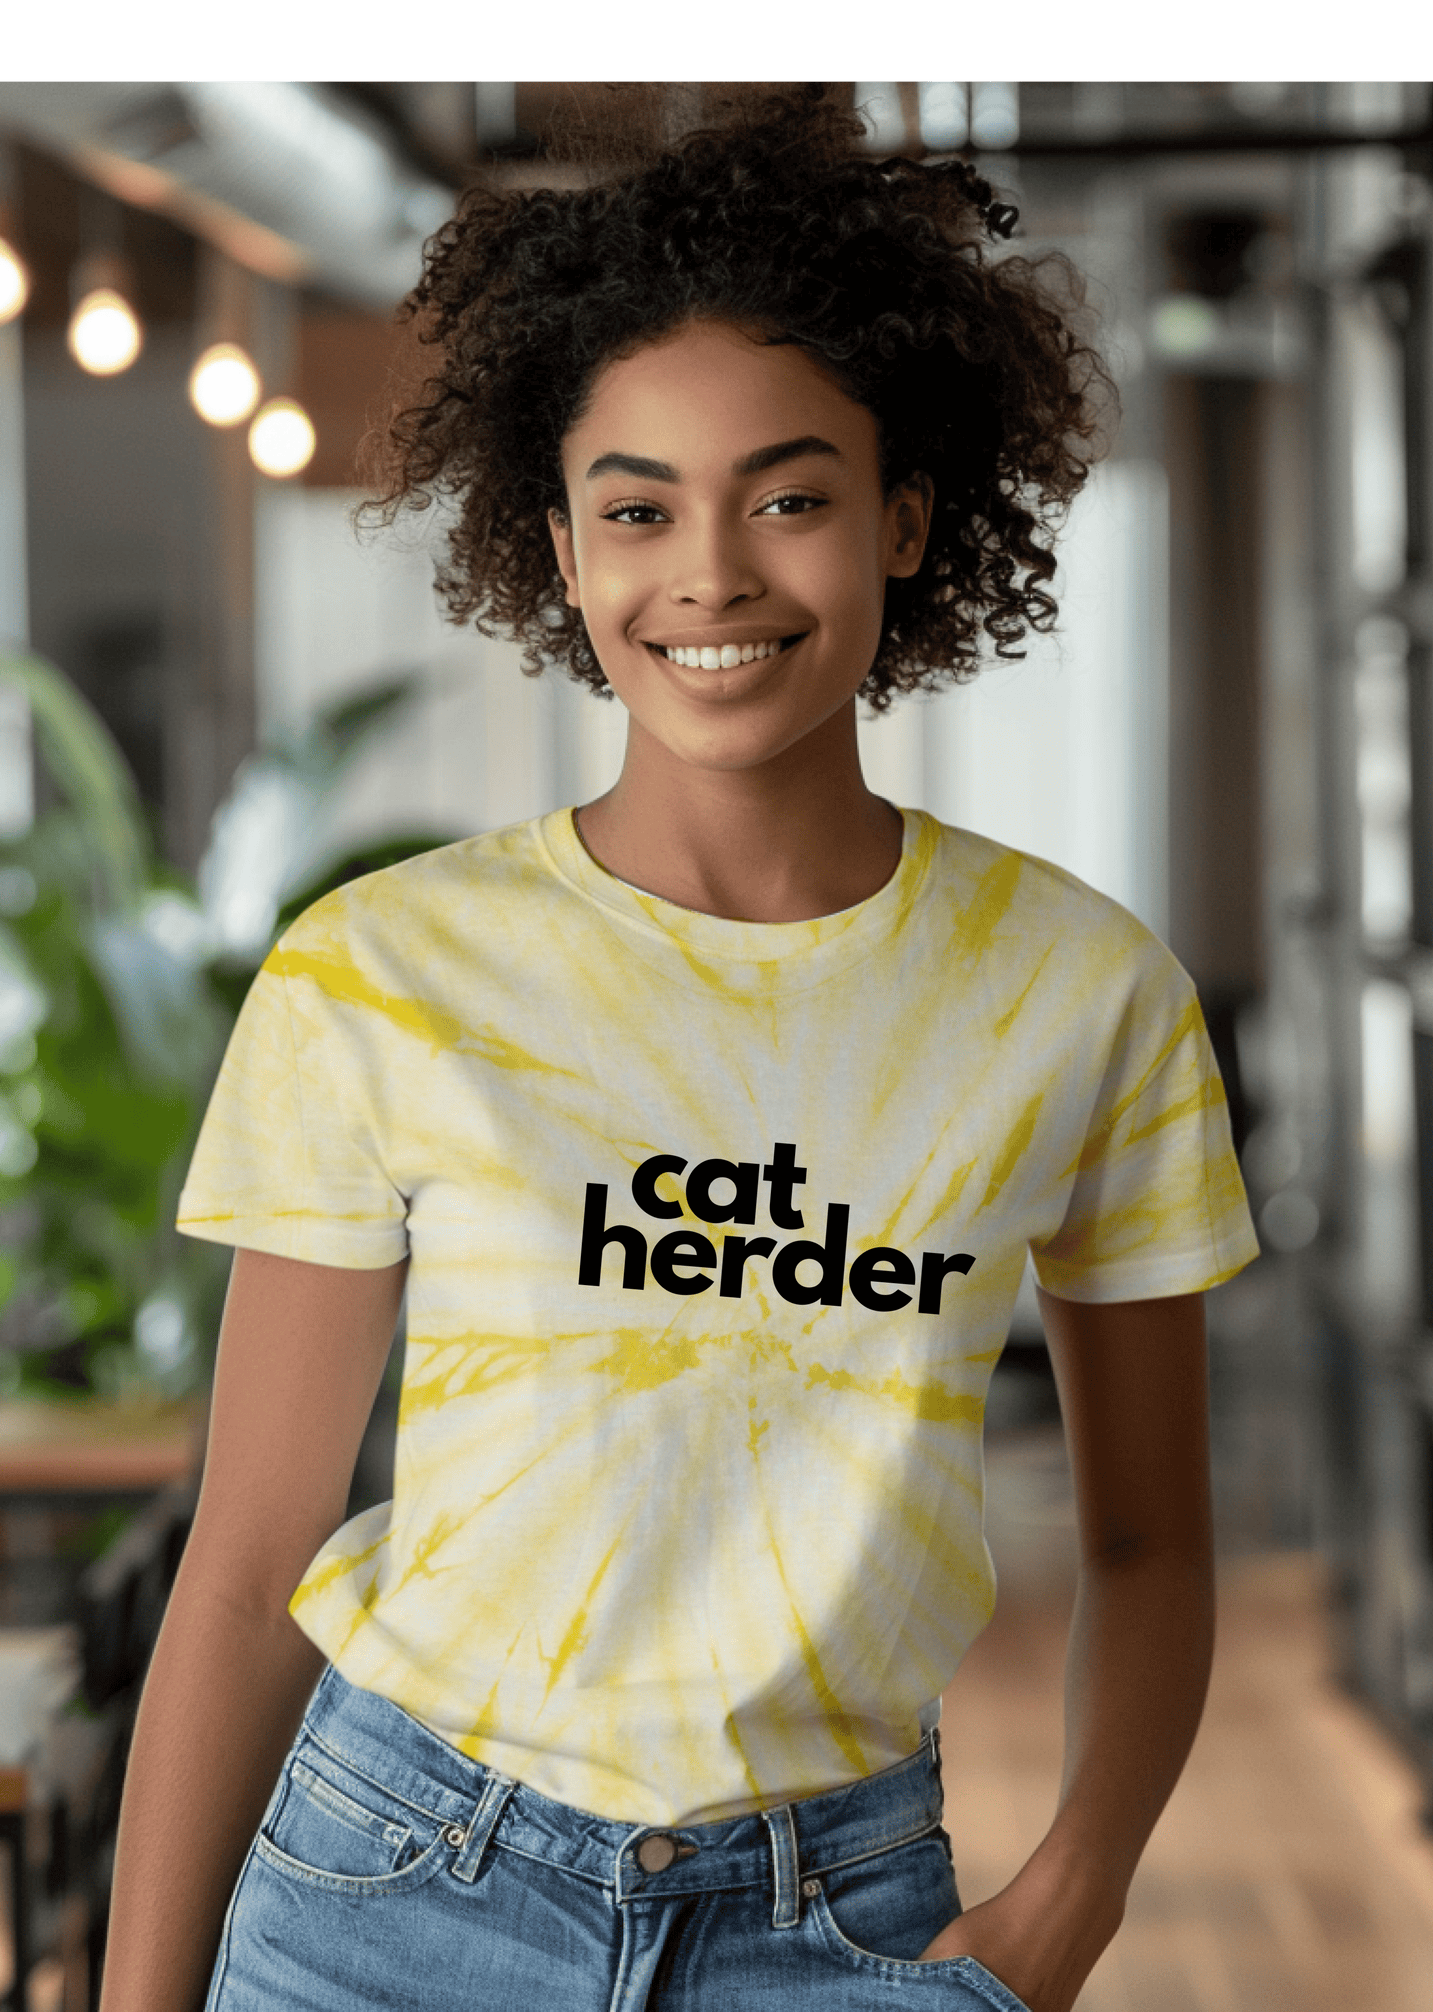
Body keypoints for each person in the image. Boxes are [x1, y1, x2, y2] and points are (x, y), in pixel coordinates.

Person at [100, 85, 1258, 2012]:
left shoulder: (1078, 994)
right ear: (558, 552)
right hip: (391, 1892)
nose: (707, 572)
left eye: (787, 496)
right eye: (636, 507)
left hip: (845, 1918)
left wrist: (1070, 1906)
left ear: (904, 519)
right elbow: (245, 1563)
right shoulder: (380, 974)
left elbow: (1149, 1543)